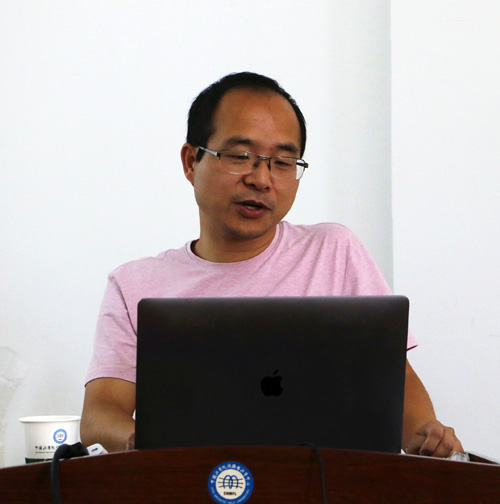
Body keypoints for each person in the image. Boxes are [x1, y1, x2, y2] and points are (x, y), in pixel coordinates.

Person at [81, 72, 463, 457]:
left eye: (282, 162)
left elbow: (393, 375)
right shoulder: (135, 284)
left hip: (324, 480)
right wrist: (152, 444)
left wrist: (423, 434)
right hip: (198, 479)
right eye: (240, 156)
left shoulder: (333, 251)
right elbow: (100, 414)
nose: (261, 179)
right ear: (191, 162)